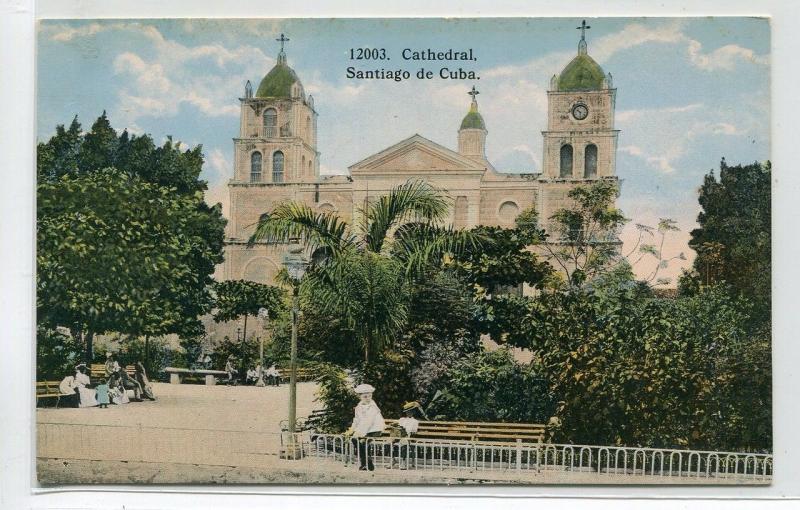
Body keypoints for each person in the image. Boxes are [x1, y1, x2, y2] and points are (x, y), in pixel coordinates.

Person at [346, 383, 385, 471]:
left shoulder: (373, 407)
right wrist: (352, 430)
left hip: (375, 429)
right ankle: (367, 462)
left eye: (369, 396)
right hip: (365, 430)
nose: (368, 398)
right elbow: (356, 420)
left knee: (363, 442)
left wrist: (360, 433)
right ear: (360, 397)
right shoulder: (359, 407)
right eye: (365, 397)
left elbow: (369, 422)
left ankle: (365, 463)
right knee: (354, 439)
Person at [395, 401, 422, 469]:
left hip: (407, 437)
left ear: (413, 412)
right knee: (388, 443)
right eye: (407, 411)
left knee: (404, 442)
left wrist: (407, 434)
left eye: (410, 411)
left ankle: (403, 461)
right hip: (398, 436)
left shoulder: (415, 421)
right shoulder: (402, 419)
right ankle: (393, 460)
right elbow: (397, 428)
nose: (408, 413)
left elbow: (413, 432)